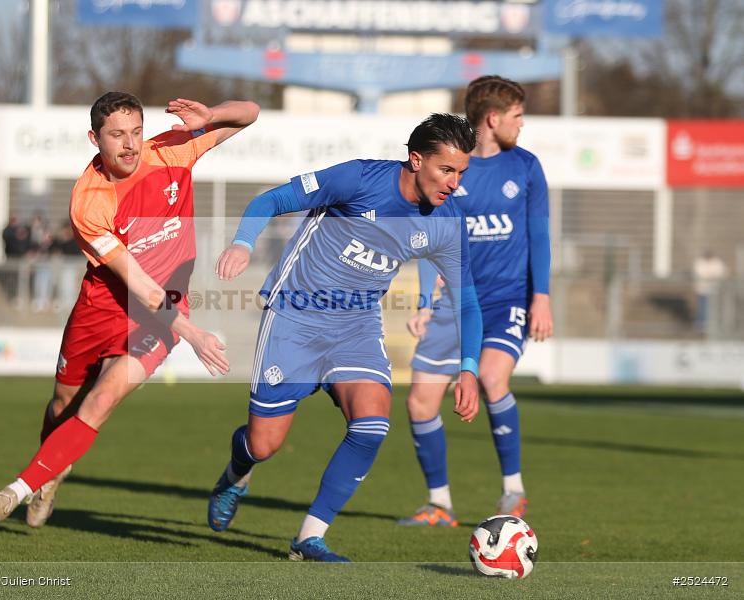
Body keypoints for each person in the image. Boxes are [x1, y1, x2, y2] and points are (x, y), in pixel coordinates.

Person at [0, 92, 259, 527]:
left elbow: (250, 113)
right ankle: (51, 473)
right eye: (117, 135)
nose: (129, 144)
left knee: (103, 398)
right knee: (62, 406)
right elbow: (139, 284)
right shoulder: (89, 201)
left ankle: (15, 491)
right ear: (95, 138)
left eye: (136, 132)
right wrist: (194, 332)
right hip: (103, 305)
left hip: (159, 316)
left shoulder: (172, 149)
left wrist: (212, 116)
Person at [206, 113, 483, 562]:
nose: (454, 183)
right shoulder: (357, 179)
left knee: (373, 421)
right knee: (263, 444)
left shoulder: (446, 220)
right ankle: (237, 473)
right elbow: (269, 200)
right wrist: (243, 242)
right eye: (446, 170)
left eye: (461, 173)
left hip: (355, 325)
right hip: (294, 317)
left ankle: (308, 537)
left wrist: (468, 368)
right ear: (416, 160)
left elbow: (467, 302)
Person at [398, 76, 552, 527]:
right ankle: (439, 504)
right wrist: (426, 301)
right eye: (518, 116)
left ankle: (513, 491)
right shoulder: (452, 167)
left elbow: (539, 236)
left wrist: (540, 297)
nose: (522, 125)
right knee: (421, 403)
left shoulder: (525, 166)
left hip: (508, 299)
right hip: (456, 302)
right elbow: (434, 238)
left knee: (488, 376)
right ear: (493, 118)